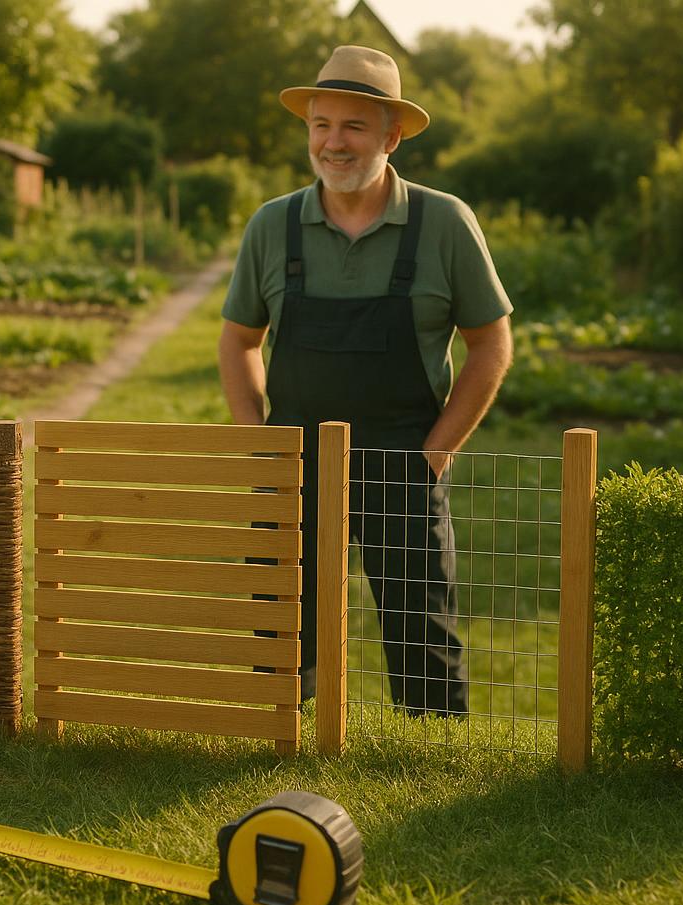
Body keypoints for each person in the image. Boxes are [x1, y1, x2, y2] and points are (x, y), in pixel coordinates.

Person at [219, 45, 513, 715]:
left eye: (353, 125)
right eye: (321, 124)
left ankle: (431, 749)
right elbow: (238, 340)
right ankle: (282, 743)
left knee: (423, 637)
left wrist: (436, 452)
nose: (334, 142)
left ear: (392, 135)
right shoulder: (273, 225)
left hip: (404, 460)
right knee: (282, 631)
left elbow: (491, 343)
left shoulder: (444, 224)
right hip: (293, 463)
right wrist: (258, 444)